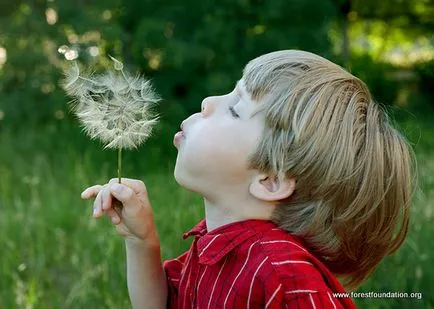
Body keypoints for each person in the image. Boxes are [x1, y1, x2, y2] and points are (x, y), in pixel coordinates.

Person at [81, 50, 415, 309]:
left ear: (270, 179)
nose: (208, 102)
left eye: (235, 109)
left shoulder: (283, 277)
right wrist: (142, 242)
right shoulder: (219, 249)